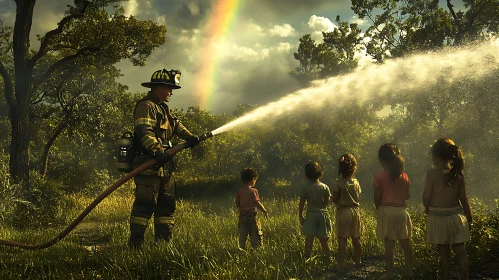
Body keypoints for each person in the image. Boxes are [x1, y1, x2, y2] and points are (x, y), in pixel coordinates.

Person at [128, 69, 201, 248]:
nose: (171, 92)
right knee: (145, 205)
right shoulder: (146, 106)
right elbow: (144, 132)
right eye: (169, 88)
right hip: (148, 164)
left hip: (166, 165)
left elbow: (176, 125)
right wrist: (157, 150)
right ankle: (136, 245)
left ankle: (163, 244)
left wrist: (190, 137)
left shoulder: (163, 108)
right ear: (159, 88)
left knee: (166, 206)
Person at [423, 138, 472, 280]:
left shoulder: (432, 174)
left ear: (436, 156)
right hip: (457, 217)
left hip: (438, 217)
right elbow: (464, 199)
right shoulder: (458, 175)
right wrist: (470, 219)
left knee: (444, 257)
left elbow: (426, 196)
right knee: (461, 253)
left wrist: (427, 209)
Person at [374, 143, 413, 280]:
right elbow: (407, 196)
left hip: (387, 210)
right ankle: (410, 271)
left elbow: (377, 196)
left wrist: (377, 207)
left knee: (389, 243)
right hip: (402, 211)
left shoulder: (379, 176)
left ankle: (389, 273)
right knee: (405, 242)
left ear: (382, 160)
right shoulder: (404, 176)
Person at [332, 154, 362, 270]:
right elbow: (358, 196)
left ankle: (340, 264)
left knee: (342, 239)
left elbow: (335, 199)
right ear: (353, 168)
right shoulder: (356, 182)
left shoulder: (339, 183)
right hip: (355, 211)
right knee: (356, 238)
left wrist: (332, 198)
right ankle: (358, 261)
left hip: (343, 211)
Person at [299, 162, 332, 260]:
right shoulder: (325, 187)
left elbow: (301, 203)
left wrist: (300, 215)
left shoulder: (305, 188)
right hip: (323, 213)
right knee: (324, 239)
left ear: (306, 175)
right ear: (320, 174)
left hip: (311, 214)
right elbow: (327, 201)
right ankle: (327, 257)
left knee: (309, 238)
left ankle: (307, 258)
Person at [235, 168, 269, 249]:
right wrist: (264, 211)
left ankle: (241, 250)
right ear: (253, 179)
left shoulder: (239, 191)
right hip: (252, 219)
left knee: (242, 237)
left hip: (242, 219)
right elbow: (257, 203)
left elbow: (237, 203)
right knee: (256, 238)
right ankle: (256, 250)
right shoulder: (254, 191)